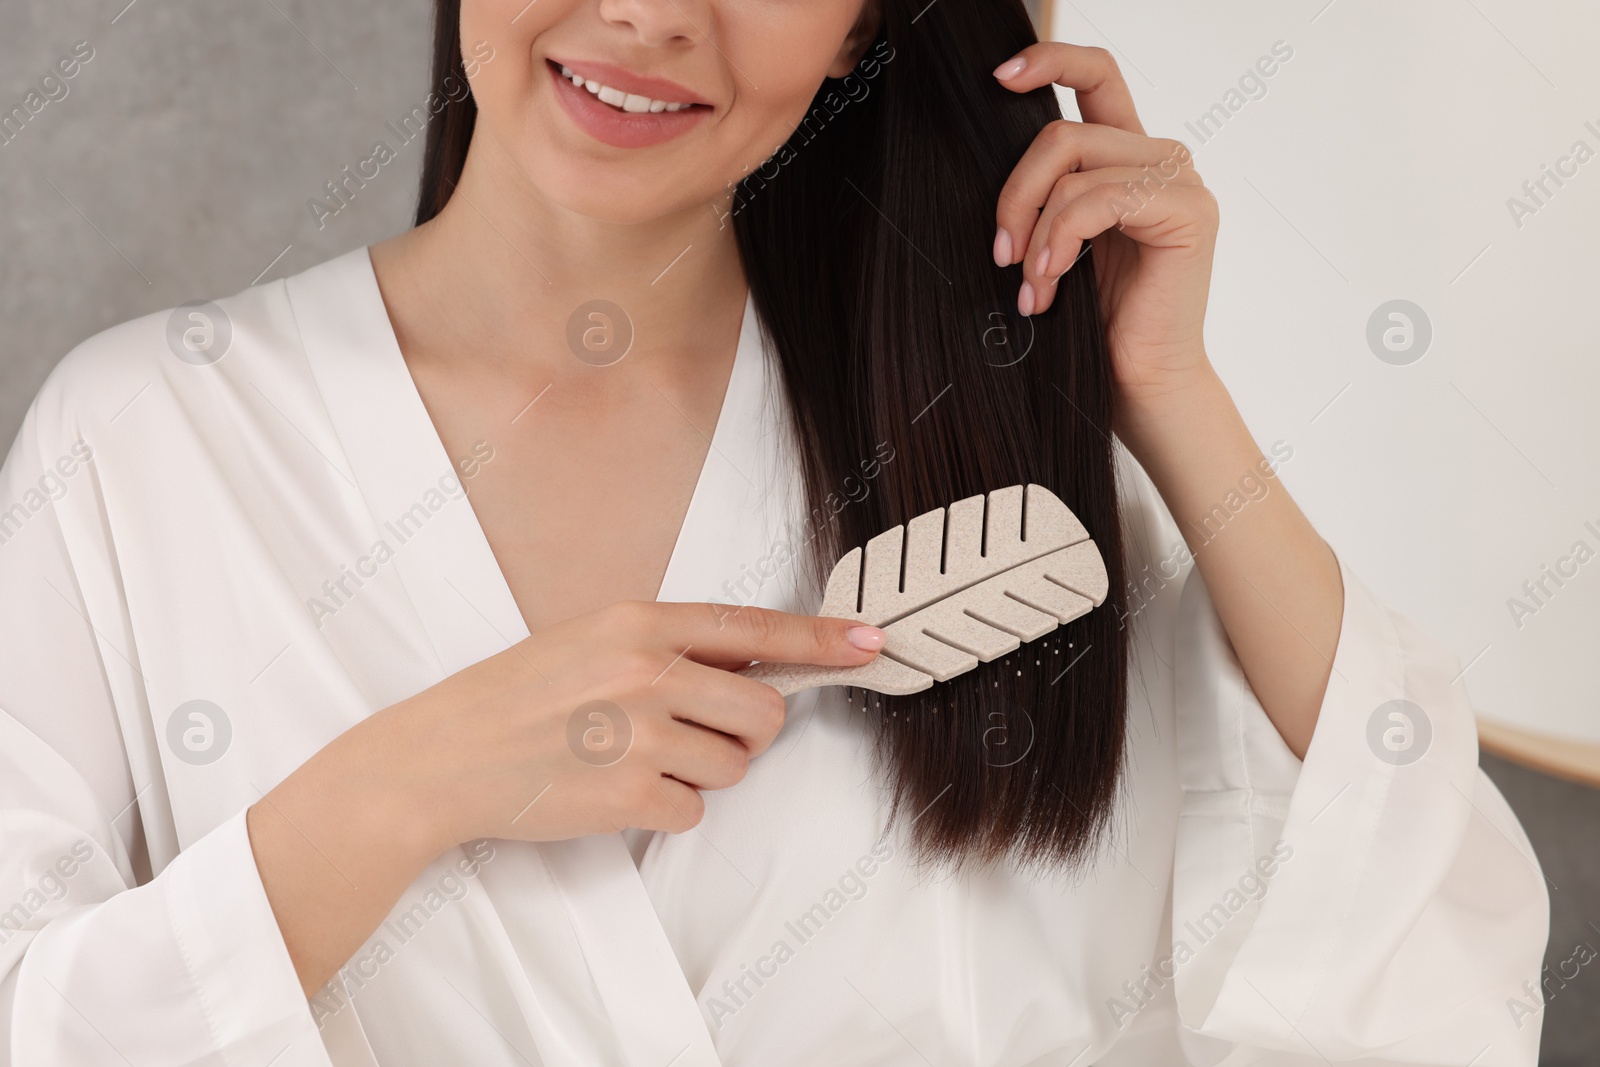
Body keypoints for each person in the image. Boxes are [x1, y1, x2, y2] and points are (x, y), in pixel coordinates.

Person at [0, 0, 1547, 1063]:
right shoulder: (144, 437)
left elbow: (1423, 961)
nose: (653, 15)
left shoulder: (990, 468)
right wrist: (415, 779)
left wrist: (1164, 388)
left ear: (871, 18)